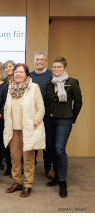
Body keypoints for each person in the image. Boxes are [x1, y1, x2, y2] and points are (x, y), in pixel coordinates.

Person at [3, 63, 45, 197]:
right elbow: (6, 108)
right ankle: (17, 181)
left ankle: (27, 185)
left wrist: (35, 122)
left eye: (21, 72)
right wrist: (5, 119)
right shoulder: (11, 88)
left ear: (27, 74)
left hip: (28, 129)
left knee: (28, 158)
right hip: (13, 129)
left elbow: (41, 109)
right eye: (16, 72)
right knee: (15, 157)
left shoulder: (34, 88)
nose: (18, 74)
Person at [45, 56, 82, 198]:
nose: (56, 69)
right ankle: (55, 177)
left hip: (64, 120)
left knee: (60, 150)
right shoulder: (50, 83)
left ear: (65, 68)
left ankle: (62, 182)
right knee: (52, 148)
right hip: (49, 119)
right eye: (54, 67)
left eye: (59, 67)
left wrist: (72, 117)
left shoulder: (72, 83)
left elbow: (78, 103)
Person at [30, 51, 54, 179]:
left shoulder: (52, 75)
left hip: (48, 114)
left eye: (42, 59)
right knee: (32, 141)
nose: (39, 61)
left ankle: (48, 167)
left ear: (46, 61)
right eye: (37, 59)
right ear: (34, 60)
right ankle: (30, 166)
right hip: (33, 114)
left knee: (48, 142)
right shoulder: (29, 75)